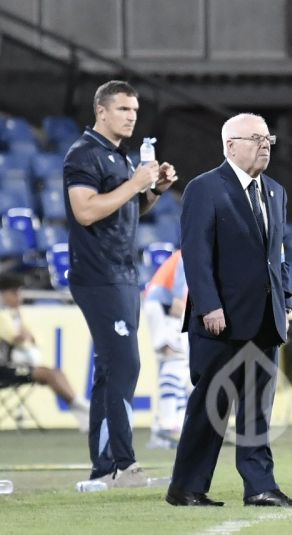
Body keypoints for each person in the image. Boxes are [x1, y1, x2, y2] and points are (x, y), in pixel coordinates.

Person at [167, 113, 292, 508]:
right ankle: (186, 487)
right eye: (255, 138)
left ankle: (260, 486)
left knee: (257, 409)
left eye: (268, 139)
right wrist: (209, 306)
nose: (265, 144)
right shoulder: (204, 188)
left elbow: (276, 255)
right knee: (211, 406)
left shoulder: (275, 191)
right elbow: (195, 254)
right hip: (220, 321)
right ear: (230, 145)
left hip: (265, 319)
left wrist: (284, 298)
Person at [64, 80, 177, 487]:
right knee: (124, 364)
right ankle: (120, 466)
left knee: (112, 369)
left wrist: (155, 192)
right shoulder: (84, 154)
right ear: (102, 112)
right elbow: (85, 211)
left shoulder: (119, 156)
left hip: (123, 275)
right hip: (99, 275)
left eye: (134, 109)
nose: (131, 116)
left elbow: (124, 208)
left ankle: (107, 466)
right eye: (124, 109)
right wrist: (134, 183)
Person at [0, 272, 89, 431]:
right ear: (3, 295)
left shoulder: (15, 315)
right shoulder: (3, 316)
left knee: (55, 372)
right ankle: (81, 408)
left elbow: (33, 338)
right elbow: (16, 337)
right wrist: (25, 336)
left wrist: (26, 335)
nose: (18, 297)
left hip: (12, 366)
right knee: (48, 374)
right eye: (14, 293)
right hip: (4, 369)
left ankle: (80, 408)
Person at [142, 250, 191, 449]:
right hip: (165, 306)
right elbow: (179, 299)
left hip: (157, 304)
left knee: (174, 367)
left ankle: (169, 427)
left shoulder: (186, 251)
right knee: (176, 361)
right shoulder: (191, 251)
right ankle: (169, 425)